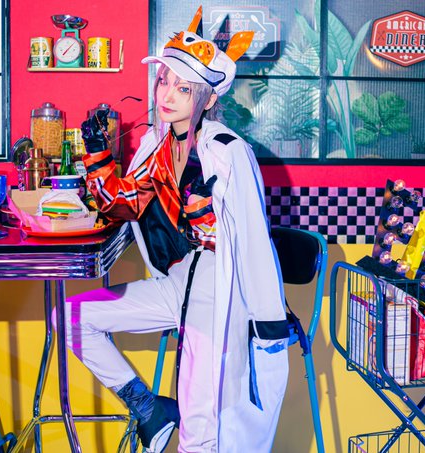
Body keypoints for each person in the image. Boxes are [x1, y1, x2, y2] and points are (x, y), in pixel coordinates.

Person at [61, 6, 290, 452]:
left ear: (206, 97)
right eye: (163, 80)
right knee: (70, 318)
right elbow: (122, 204)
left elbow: (252, 243)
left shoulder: (227, 151)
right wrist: (97, 154)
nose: (167, 95)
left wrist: (268, 323)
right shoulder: (157, 143)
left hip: (217, 294)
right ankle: (148, 409)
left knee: (200, 429)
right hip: (177, 283)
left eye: (183, 88)